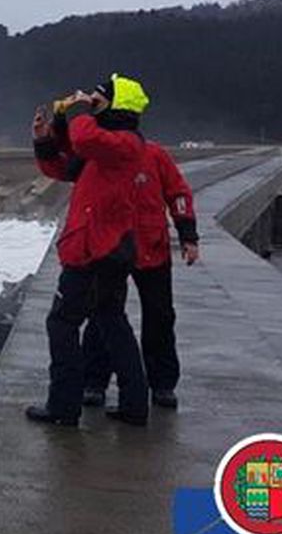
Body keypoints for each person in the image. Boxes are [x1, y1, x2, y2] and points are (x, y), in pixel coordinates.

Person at [25, 73, 150, 427]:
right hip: (105, 247)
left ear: (114, 105)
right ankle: (134, 405)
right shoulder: (109, 145)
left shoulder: (125, 142)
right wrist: (46, 137)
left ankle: (63, 406)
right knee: (111, 321)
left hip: (94, 249)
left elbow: (84, 137)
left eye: (98, 99)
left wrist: (79, 110)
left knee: (62, 322)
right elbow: (65, 167)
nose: (90, 102)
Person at [81, 131, 199, 410]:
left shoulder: (156, 155)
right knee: (103, 316)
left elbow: (178, 194)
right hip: (111, 250)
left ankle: (162, 384)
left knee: (160, 316)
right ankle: (94, 382)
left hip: (152, 247)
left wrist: (188, 236)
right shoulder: (101, 157)